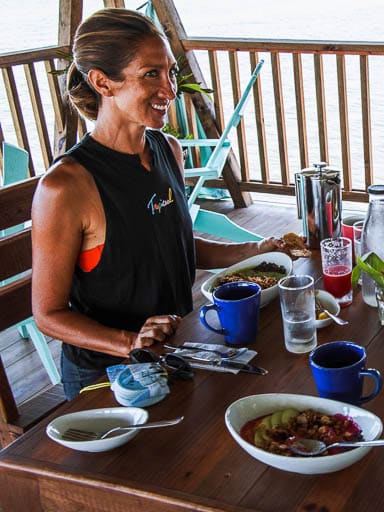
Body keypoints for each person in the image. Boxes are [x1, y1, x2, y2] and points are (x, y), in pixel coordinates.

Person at [31, 8, 295, 400]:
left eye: (170, 72)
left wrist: (257, 250)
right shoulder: (66, 186)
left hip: (176, 348)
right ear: (103, 82)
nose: (170, 91)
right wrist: (131, 340)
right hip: (109, 374)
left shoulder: (167, 149)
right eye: (150, 74)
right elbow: (48, 315)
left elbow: (173, 244)